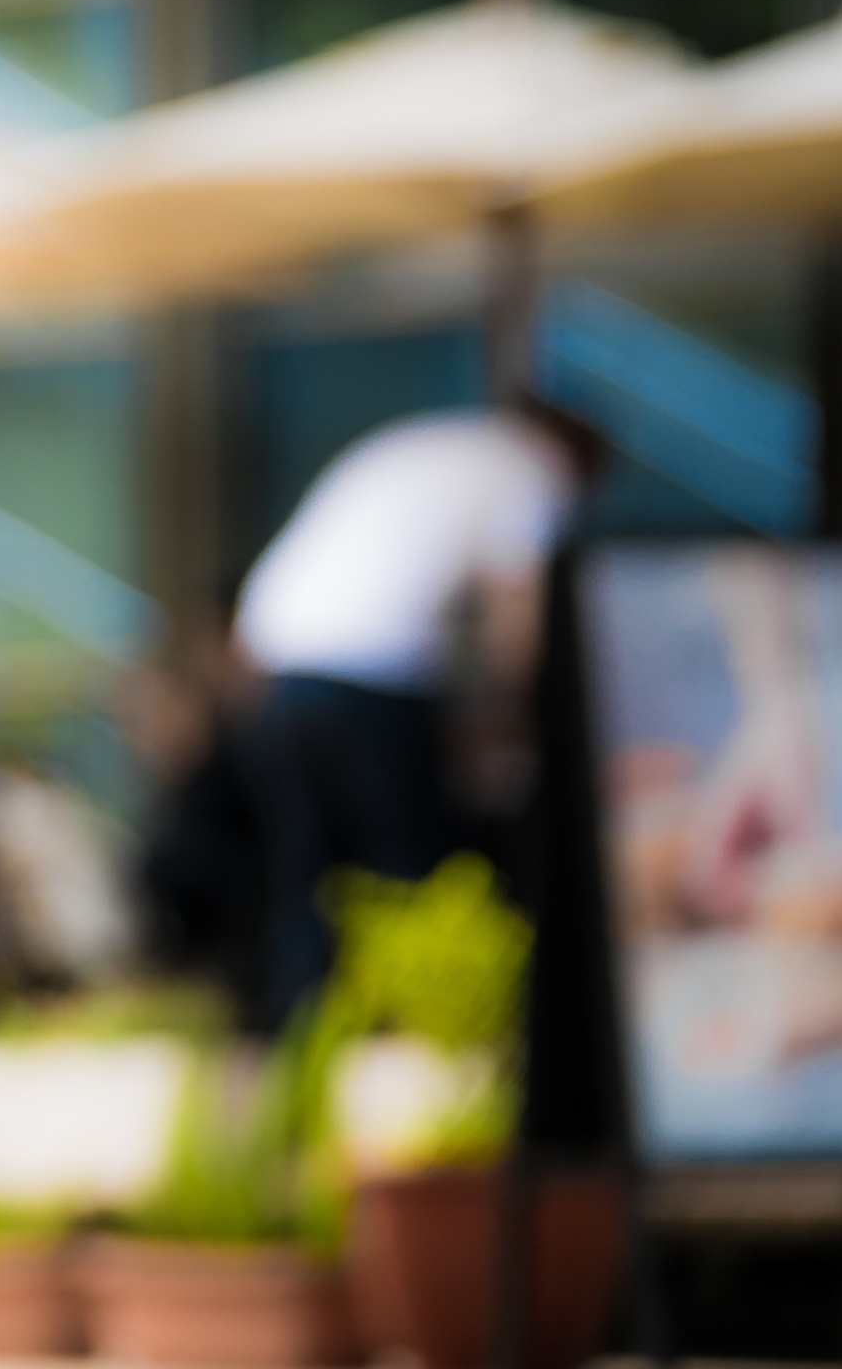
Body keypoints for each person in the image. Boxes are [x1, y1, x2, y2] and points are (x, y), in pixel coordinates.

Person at [225, 391, 610, 1024]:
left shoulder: (432, 441)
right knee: (409, 873)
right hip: (371, 671)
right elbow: (518, 614)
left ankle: (303, 1047)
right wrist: (529, 718)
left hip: (276, 668)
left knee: (309, 878)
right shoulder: (529, 470)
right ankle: (415, 1040)